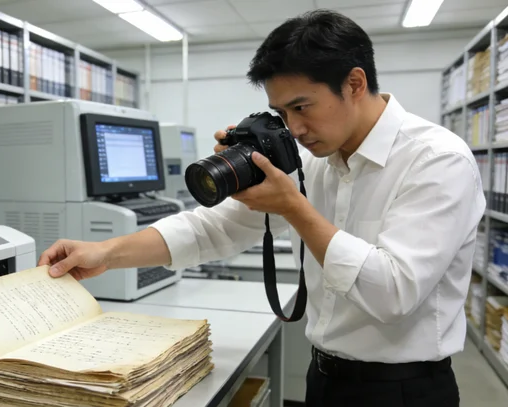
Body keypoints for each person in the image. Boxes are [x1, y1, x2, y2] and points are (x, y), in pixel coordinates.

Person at [37, 9, 485, 407]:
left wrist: (294, 207)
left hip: (404, 391)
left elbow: (395, 292)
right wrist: (105, 253)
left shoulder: (436, 160)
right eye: (281, 112)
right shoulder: (315, 159)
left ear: (354, 83)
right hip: (324, 378)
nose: (295, 128)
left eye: (302, 106)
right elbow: (212, 229)